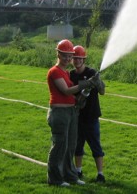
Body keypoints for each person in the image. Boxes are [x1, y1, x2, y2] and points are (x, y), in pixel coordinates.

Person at [46, 39, 99, 187]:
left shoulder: (65, 73)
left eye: (70, 56)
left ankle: (70, 176)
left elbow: (72, 94)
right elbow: (66, 91)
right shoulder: (54, 71)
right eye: (65, 55)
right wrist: (86, 83)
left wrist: (82, 96)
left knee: (70, 146)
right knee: (59, 146)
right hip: (60, 113)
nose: (68, 59)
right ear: (58, 54)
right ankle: (55, 179)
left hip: (71, 112)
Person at [69, 45, 106, 183]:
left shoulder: (92, 72)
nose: (77, 60)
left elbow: (102, 92)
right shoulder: (71, 75)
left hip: (91, 116)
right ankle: (78, 171)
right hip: (77, 116)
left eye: (79, 58)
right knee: (77, 146)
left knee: (95, 145)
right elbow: (69, 92)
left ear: (83, 59)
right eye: (74, 58)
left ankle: (100, 174)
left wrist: (98, 83)